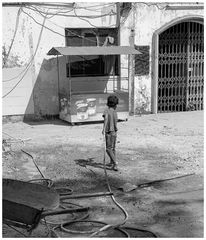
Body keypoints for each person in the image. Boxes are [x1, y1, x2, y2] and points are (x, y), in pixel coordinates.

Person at [102, 95, 119, 171]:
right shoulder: (115, 111)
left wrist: (103, 129)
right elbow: (116, 120)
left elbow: (105, 120)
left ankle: (115, 162)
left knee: (108, 149)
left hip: (109, 132)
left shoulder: (107, 110)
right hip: (115, 132)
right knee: (113, 148)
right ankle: (112, 163)